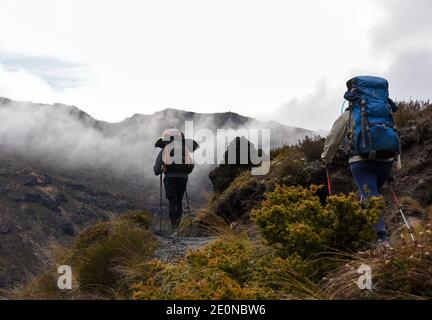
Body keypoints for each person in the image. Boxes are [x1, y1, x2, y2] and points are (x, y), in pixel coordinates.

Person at [321, 76, 400, 247]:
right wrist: (395, 164)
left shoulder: (348, 115)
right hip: (386, 160)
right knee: (371, 195)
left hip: (360, 161)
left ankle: (382, 239)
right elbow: (395, 136)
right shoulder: (385, 112)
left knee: (370, 197)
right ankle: (363, 229)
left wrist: (326, 158)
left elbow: (333, 139)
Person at [154, 129, 194, 235]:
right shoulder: (185, 149)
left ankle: (174, 228)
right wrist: (183, 173)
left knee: (172, 201)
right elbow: (190, 167)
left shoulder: (165, 149)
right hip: (183, 178)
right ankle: (177, 226)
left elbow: (157, 170)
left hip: (170, 178)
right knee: (179, 201)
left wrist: (161, 170)